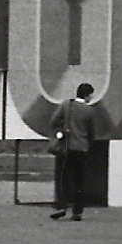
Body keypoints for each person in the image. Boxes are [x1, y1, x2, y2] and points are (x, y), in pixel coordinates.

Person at [49, 83, 97, 221]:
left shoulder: (66, 105)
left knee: (63, 178)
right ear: (87, 95)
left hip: (65, 147)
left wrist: (60, 131)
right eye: (91, 95)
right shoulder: (89, 111)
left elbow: (53, 121)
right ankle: (77, 212)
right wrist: (87, 143)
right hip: (81, 148)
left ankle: (62, 207)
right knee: (79, 180)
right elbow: (92, 133)